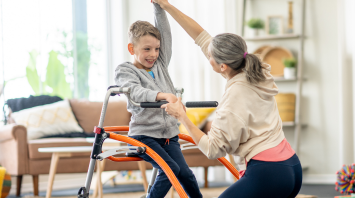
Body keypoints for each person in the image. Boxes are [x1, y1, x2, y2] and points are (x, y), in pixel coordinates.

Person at [156, 0, 303, 197]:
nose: (207, 55)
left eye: (210, 56)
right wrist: (166, 6)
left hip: (269, 172)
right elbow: (200, 36)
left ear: (222, 66)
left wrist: (182, 116)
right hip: (291, 167)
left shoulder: (235, 97)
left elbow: (212, 149)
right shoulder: (256, 72)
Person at [114, 3, 202, 198]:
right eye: (147, 49)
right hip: (143, 136)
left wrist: (158, 6)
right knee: (170, 169)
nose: (153, 54)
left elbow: (165, 33)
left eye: (156, 49)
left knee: (185, 174)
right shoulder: (125, 70)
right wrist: (164, 95)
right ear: (131, 48)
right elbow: (135, 92)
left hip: (169, 136)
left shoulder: (160, 64)